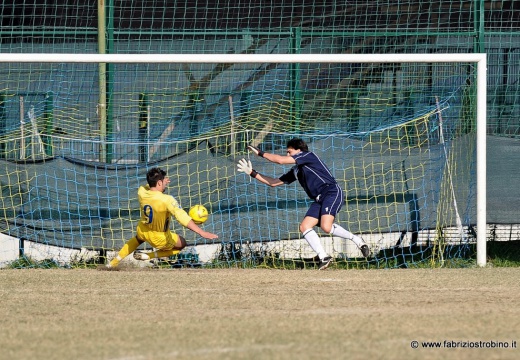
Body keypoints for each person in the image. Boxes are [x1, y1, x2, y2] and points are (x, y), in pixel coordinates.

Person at [237, 138, 369, 270]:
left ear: (299, 150)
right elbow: (273, 182)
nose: (287, 155)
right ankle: (324, 256)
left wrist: (260, 153)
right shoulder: (296, 170)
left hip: (331, 192)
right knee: (305, 226)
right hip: (319, 199)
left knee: (326, 227)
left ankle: (357, 240)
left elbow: (280, 160)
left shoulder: (308, 155)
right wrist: (252, 173)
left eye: (289, 152)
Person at [106, 167, 218, 268]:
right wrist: (201, 232)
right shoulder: (167, 200)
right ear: (159, 182)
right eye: (164, 182)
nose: (166, 184)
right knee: (182, 243)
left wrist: (160, 181)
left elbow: (149, 186)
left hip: (143, 229)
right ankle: (149, 256)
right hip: (159, 237)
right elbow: (182, 217)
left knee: (138, 239)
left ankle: (112, 263)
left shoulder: (142, 192)